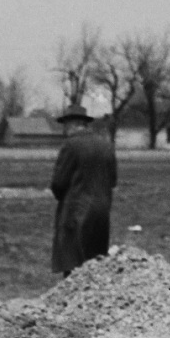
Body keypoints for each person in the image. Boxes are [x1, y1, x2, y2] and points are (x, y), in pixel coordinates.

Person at [49, 104, 116, 274]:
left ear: (72, 124)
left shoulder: (71, 145)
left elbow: (58, 182)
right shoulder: (106, 144)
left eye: (66, 125)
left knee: (73, 264)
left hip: (76, 210)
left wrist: (63, 198)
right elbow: (113, 180)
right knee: (96, 262)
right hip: (102, 211)